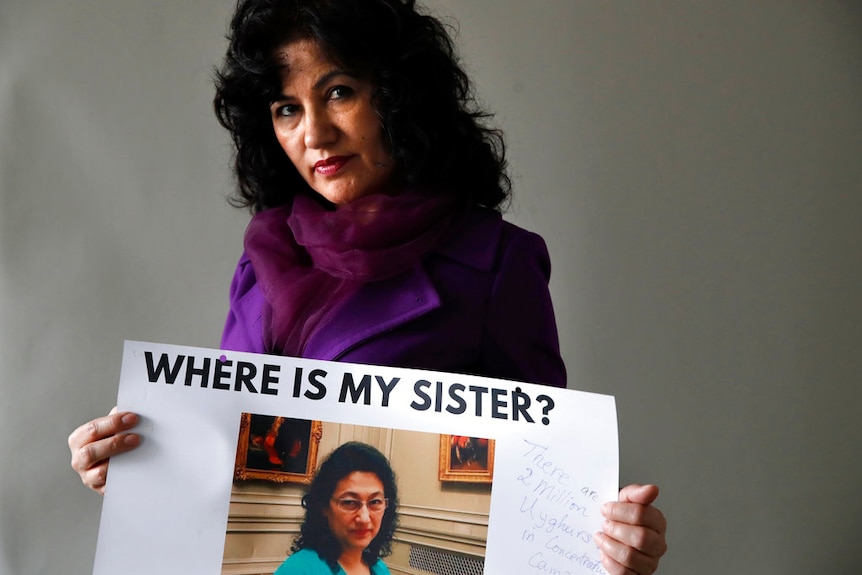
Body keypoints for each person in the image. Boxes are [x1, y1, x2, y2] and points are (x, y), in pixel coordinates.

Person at [67, 1, 668, 573]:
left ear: (399, 97)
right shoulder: (263, 254)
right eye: (286, 108)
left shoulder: (496, 261)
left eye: (338, 93)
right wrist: (131, 463)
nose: (315, 134)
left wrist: (605, 546)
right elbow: (225, 448)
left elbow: (544, 481)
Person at [275, 441, 398, 575]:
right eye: (350, 502)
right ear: (324, 506)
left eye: (375, 502)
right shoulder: (299, 569)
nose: (364, 518)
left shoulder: (380, 569)